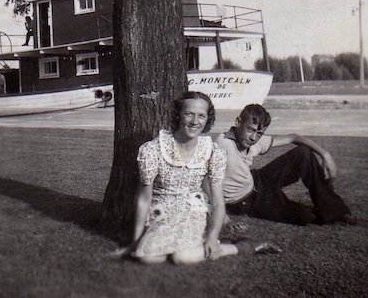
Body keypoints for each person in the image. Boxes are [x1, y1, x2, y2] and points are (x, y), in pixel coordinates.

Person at [116, 92, 282, 265]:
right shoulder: (153, 149)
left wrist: (212, 237)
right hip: (162, 210)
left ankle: (246, 246)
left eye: (201, 116)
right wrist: (136, 241)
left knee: (183, 257)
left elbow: (217, 202)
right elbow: (144, 199)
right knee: (148, 258)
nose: (195, 121)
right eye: (189, 114)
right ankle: (198, 245)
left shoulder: (212, 151)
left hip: (193, 209)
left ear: (207, 119)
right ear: (178, 115)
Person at [215, 103, 356, 227]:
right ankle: (314, 211)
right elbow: (206, 179)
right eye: (250, 130)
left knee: (303, 153)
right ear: (238, 122)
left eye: (259, 133)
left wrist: (325, 154)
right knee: (304, 217)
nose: (253, 138)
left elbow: (293, 137)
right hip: (245, 201)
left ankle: (335, 211)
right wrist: (222, 213)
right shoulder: (223, 143)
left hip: (256, 180)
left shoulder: (254, 141)